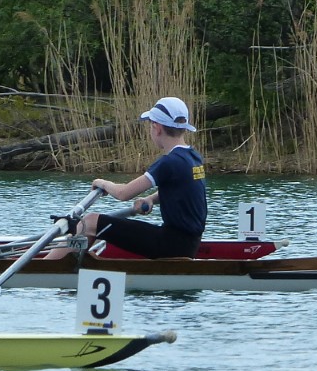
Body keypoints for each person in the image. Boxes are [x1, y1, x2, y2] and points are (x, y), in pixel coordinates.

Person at [53, 95, 207, 259]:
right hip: (188, 244)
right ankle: (69, 263)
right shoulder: (193, 156)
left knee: (89, 222)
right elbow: (181, 190)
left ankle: (48, 267)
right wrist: (150, 199)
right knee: (94, 224)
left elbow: (123, 193)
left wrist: (102, 183)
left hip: (173, 245)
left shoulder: (169, 162)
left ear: (157, 128)